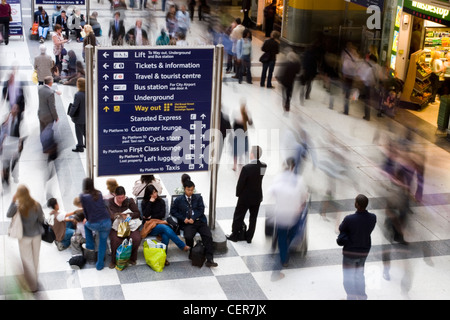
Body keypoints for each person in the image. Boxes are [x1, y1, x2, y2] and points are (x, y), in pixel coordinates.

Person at [268, 158, 308, 280]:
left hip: (280, 214)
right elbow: (304, 197)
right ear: (293, 167)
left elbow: (271, 193)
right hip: (293, 215)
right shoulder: (299, 180)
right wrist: (300, 206)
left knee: (282, 237)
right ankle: (281, 261)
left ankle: (283, 256)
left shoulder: (278, 179)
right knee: (292, 235)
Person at [170, 180, 218, 267]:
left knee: (208, 236)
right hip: (187, 223)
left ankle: (210, 259)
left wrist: (193, 218)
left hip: (199, 221)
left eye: (192, 190)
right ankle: (192, 252)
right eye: (188, 190)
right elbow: (173, 211)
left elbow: (201, 209)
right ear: (185, 189)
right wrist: (183, 218)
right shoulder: (179, 200)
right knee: (188, 236)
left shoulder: (198, 198)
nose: (190, 192)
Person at [6, 185, 45, 292]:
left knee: (27, 261)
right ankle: (35, 280)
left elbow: (8, 214)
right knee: (35, 258)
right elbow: (41, 219)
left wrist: (13, 201)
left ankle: (32, 286)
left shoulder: (18, 207)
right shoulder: (36, 205)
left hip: (24, 237)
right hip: (37, 235)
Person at [338, 194, 376, 300]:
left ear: (357, 205)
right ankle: (362, 296)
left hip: (350, 252)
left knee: (348, 277)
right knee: (359, 275)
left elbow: (341, 228)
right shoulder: (373, 218)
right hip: (364, 251)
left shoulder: (349, 219)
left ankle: (351, 297)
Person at [141, 184, 190, 265]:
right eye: (152, 193)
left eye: (155, 192)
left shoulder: (161, 201)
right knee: (164, 228)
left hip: (159, 223)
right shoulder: (145, 202)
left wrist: (151, 217)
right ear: (148, 195)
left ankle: (163, 257)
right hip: (150, 228)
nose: (154, 195)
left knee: (165, 235)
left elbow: (162, 215)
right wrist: (150, 203)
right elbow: (145, 215)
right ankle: (182, 246)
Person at [227, 145, 267, 243]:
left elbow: (241, 183)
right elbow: (259, 178)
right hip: (257, 196)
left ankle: (234, 235)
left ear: (252, 154)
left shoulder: (246, 168)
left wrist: (238, 193)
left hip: (245, 197)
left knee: (239, 215)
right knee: (253, 217)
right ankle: (249, 237)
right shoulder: (263, 166)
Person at [80, 177, 112, 270]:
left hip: (94, 223)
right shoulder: (99, 193)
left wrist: (87, 218)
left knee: (86, 225)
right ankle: (99, 265)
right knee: (102, 243)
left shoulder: (83, 196)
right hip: (106, 222)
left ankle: (90, 245)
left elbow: (85, 210)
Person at [107, 186, 142, 268]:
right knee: (116, 240)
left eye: (123, 197)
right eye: (119, 198)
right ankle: (114, 260)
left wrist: (128, 215)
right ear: (115, 195)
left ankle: (132, 258)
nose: (121, 200)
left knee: (136, 238)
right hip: (115, 227)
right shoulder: (109, 203)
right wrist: (116, 216)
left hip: (129, 225)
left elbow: (137, 213)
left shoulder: (129, 201)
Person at [232, 99, 252, 171]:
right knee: (239, 148)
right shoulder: (239, 111)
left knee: (239, 148)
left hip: (241, 131)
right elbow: (235, 121)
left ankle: (238, 163)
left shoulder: (245, 111)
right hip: (240, 131)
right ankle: (236, 163)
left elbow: (250, 122)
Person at [69, 78, 86, 152]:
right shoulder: (88, 93)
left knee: (79, 132)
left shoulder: (78, 94)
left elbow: (75, 106)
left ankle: (80, 146)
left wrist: (70, 113)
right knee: (85, 131)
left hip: (79, 117)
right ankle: (87, 144)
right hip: (87, 116)